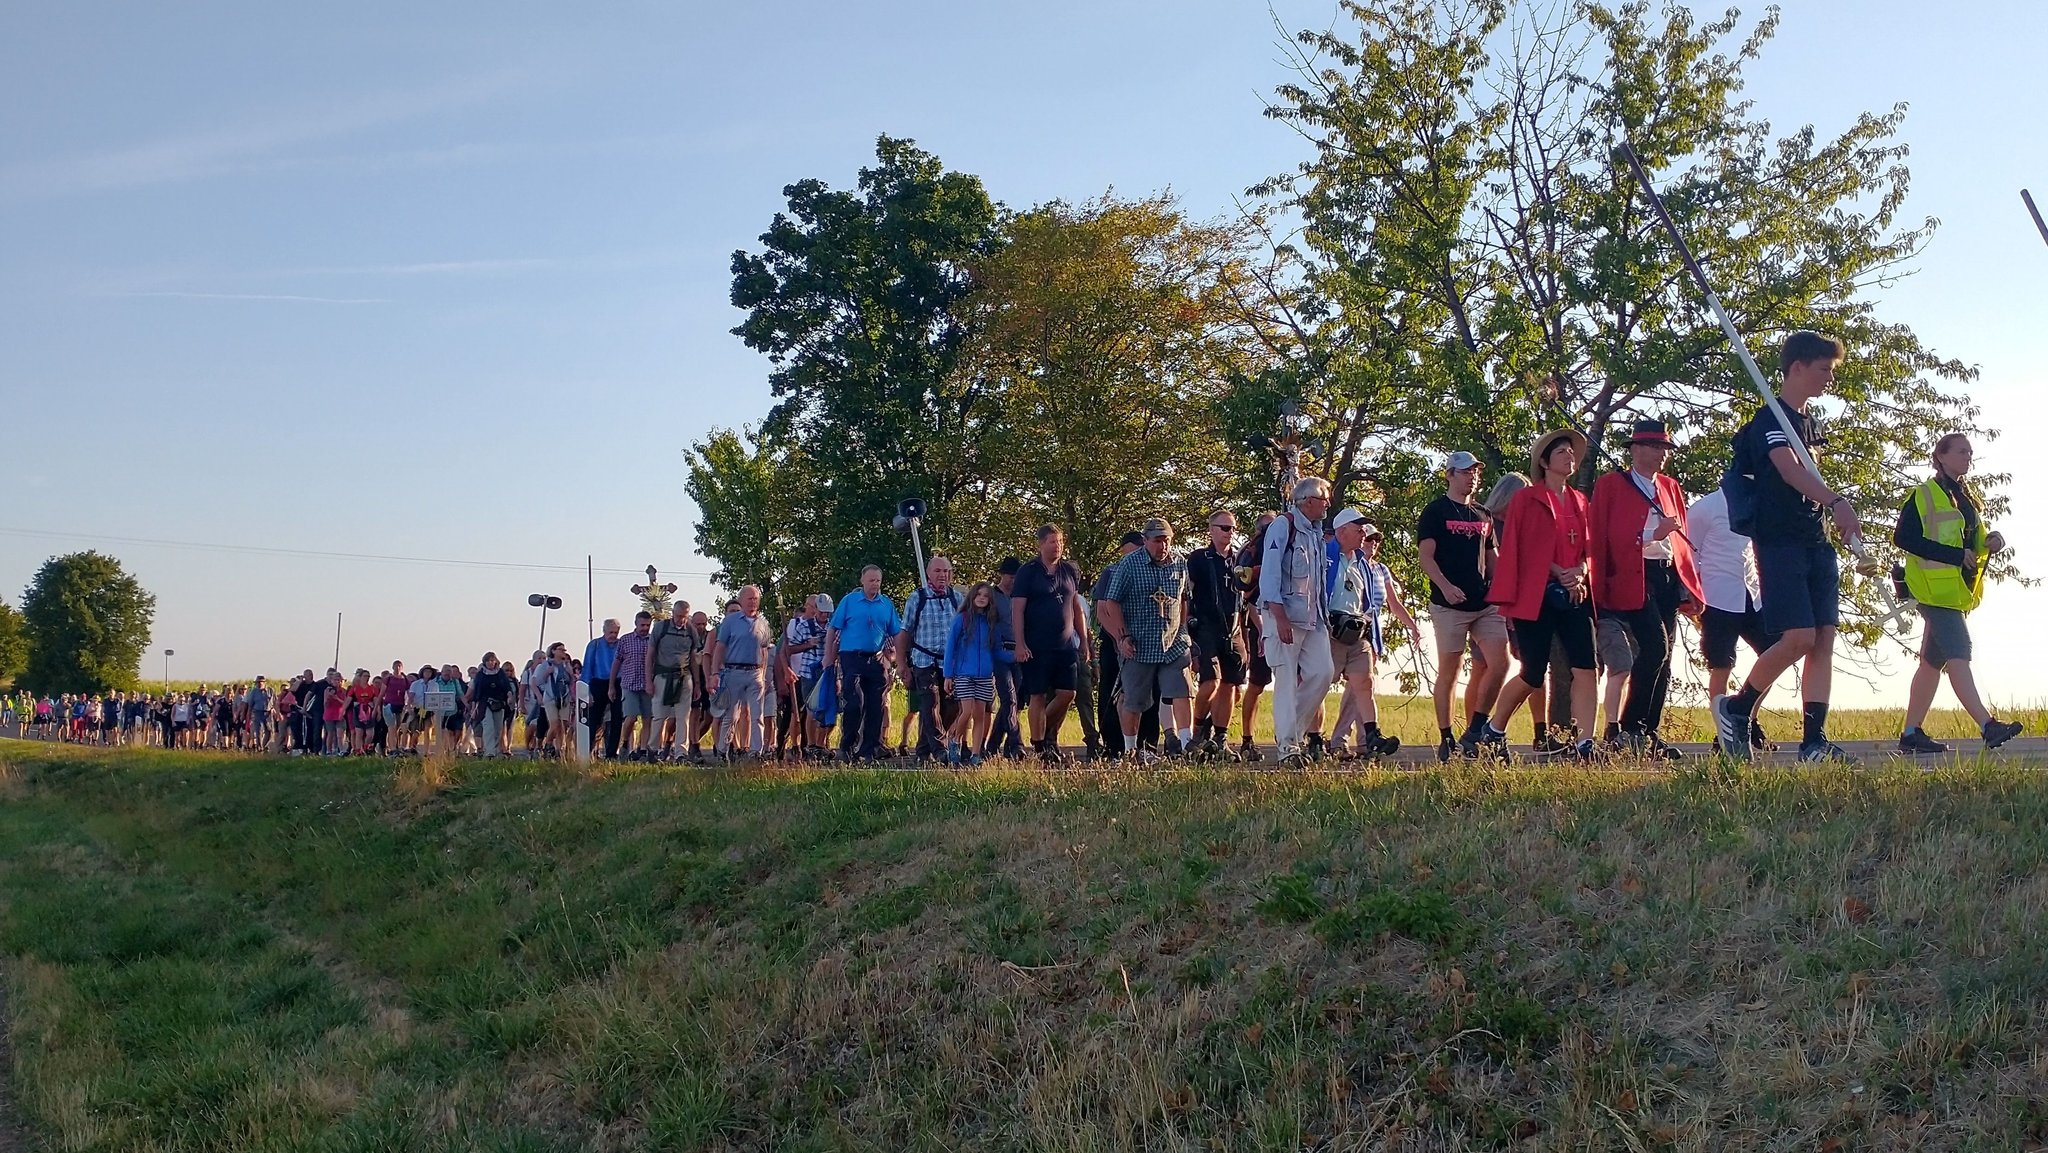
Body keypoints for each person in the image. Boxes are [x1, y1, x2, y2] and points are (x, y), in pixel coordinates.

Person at [1711, 331, 1862, 763]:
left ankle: (1814, 740)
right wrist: (1835, 500)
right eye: (1823, 369)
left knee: (1824, 638)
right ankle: (1737, 709)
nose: (1829, 378)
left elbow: (1806, 472)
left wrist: (1834, 514)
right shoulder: (1770, 420)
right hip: (1779, 540)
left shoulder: (1807, 424)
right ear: (1797, 367)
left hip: (1815, 538)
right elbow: (1788, 469)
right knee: (1797, 636)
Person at [1470, 429, 1598, 760]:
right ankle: (1494, 730)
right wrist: (1558, 570)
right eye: (1561, 453)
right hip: (1536, 595)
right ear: (1544, 462)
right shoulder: (1526, 499)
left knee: (1586, 666)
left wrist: (1581, 571)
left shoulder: (1580, 500)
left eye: (1572, 452)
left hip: (1574, 594)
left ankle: (1586, 742)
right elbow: (1520, 549)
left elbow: (1589, 548)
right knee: (1533, 671)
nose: (1569, 457)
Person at [1894, 433, 2024, 753]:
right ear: (1941, 456)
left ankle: (1911, 734)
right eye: (1962, 451)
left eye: (1970, 452)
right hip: (1932, 591)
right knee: (1959, 653)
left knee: (1930, 663)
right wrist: (1953, 557)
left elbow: (1969, 542)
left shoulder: (1965, 497)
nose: (1968, 457)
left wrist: (1991, 540)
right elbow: (1903, 538)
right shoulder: (1924, 494)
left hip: (1954, 591)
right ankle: (1987, 725)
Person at [1589, 420, 1704, 757]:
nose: (1661, 455)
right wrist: (1651, 536)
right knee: (1654, 647)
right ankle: (1629, 727)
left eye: (1664, 448)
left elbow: (1680, 545)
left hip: (1665, 574)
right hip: (1634, 573)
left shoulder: (1669, 487)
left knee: (1666, 656)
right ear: (1636, 450)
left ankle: (1647, 731)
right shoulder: (1613, 485)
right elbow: (1604, 536)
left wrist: (1689, 585)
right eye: (1654, 447)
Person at [1420, 452, 1510, 762]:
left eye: (1475, 471)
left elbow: (1493, 557)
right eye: (1464, 471)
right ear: (1449, 475)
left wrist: (1502, 594)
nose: (1471, 476)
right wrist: (1445, 586)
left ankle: (1476, 729)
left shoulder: (1483, 514)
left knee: (1501, 662)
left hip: (1485, 603)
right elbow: (1426, 557)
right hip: (1448, 605)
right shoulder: (1435, 512)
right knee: (1450, 669)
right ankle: (1446, 736)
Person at [1687, 484, 1778, 751]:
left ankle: (1747, 719)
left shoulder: (1755, 504)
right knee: (1721, 664)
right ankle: (1723, 734)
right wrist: (1693, 593)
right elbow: (1690, 555)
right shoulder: (1705, 508)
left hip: (1751, 595)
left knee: (1775, 653)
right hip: (1717, 597)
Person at [1097, 517, 1195, 763]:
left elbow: (1183, 599)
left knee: (1182, 691)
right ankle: (1130, 751)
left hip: (1173, 642)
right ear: (1146, 541)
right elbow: (1111, 602)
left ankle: (1186, 746)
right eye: (1157, 541)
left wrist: (1183, 630)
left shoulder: (1180, 563)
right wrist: (1122, 637)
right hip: (1139, 643)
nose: (1163, 546)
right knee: (1135, 700)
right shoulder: (1129, 564)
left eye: (1167, 541)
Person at [1325, 514, 1416, 758]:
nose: (1368, 538)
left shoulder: (1371, 567)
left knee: (1363, 684)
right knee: (1319, 683)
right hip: (1333, 630)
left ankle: (1369, 737)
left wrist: (1410, 626)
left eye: (1375, 537)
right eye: (1363, 532)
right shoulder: (1327, 556)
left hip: (1361, 631)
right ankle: (1313, 736)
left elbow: (1388, 604)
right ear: (1343, 531)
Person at [1261, 478, 1336, 764]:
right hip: (1285, 615)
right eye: (1323, 498)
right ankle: (1287, 748)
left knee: (1322, 672)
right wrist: (1278, 616)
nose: (1327, 503)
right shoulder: (1283, 526)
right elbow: (1270, 574)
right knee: (1286, 681)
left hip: (1313, 618)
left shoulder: (1316, 532)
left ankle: (1293, 733)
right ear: (1307, 500)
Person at [1011, 527, 1091, 763]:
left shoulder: (1068, 570)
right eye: (1052, 542)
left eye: (1060, 541)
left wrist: (1084, 640)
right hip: (1036, 645)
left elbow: (1076, 607)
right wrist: (1020, 643)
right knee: (1037, 694)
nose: (1057, 546)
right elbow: (1017, 610)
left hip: (1065, 645)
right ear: (1040, 545)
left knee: (1068, 693)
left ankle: (1046, 732)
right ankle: (1039, 746)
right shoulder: (1028, 572)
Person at [825, 565, 902, 761]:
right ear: (862, 581)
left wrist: (900, 660)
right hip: (852, 657)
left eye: (878, 580)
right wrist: (828, 656)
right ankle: (847, 746)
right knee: (854, 703)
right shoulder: (850, 601)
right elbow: (833, 629)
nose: (875, 584)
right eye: (871, 580)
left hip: (876, 658)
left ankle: (868, 750)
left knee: (876, 705)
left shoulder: (886, 604)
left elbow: (897, 632)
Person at [1187, 509, 1248, 757]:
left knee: (1232, 685)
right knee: (1210, 681)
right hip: (1206, 626)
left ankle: (1220, 738)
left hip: (1233, 628)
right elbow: (1186, 594)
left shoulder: (1239, 560)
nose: (1229, 533)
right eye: (1224, 528)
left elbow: (1248, 598)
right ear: (1211, 531)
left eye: (1233, 528)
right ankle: (1198, 730)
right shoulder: (1199, 559)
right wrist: (1187, 629)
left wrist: (1250, 633)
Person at [897, 555, 965, 760]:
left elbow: (965, 631)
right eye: (938, 571)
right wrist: (902, 665)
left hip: (950, 663)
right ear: (928, 573)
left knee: (951, 706)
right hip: (924, 660)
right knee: (930, 703)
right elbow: (904, 633)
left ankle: (924, 750)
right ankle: (940, 749)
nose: (943, 575)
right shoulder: (917, 598)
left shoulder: (957, 599)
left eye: (946, 571)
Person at [708, 585, 775, 760]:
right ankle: (723, 750)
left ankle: (755, 752)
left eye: (755, 599)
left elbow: (765, 650)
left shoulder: (763, 623)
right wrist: (715, 673)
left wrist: (764, 674)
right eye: (749, 599)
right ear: (741, 600)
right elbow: (720, 647)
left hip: (755, 672)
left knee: (756, 714)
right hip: (734, 671)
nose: (753, 602)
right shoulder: (730, 622)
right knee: (731, 714)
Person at [942, 582, 1005, 766]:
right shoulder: (961, 619)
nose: (982, 599)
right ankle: (954, 740)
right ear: (972, 597)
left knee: (980, 715)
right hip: (964, 674)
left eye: (986, 596)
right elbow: (950, 647)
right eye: (978, 595)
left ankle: (976, 754)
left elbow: (996, 649)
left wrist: (1014, 656)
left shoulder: (991, 622)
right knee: (966, 711)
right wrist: (948, 674)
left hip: (985, 675)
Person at [1234, 512, 1278, 762]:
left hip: (1283, 618)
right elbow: (1248, 595)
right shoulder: (1251, 552)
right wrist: (1261, 629)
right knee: (1257, 683)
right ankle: (1248, 739)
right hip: (1257, 621)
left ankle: (1304, 735)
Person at [647, 600, 700, 761]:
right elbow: (650, 655)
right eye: (678, 616)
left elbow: (693, 658)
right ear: (673, 614)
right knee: (659, 716)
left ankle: (680, 753)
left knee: (683, 716)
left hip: (684, 676)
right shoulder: (660, 628)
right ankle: (653, 748)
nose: (681, 620)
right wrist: (648, 680)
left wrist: (697, 683)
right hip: (662, 676)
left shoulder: (691, 630)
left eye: (684, 616)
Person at [986, 559, 1026, 758]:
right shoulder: (993, 596)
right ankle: (1016, 743)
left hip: (1020, 652)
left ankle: (993, 745)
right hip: (999, 654)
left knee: (1014, 701)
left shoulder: (1021, 596)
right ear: (1002, 575)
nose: (1013, 581)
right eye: (1010, 577)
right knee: (1009, 698)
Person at [784, 595, 832, 758]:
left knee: (827, 709)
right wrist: (808, 645)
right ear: (815, 610)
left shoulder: (833, 627)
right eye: (822, 612)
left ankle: (821, 744)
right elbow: (790, 649)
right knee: (812, 709)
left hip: (828, 671)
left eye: (827, 612)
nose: (825, 615)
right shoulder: (804, 626)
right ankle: (811, 745)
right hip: (809, 672)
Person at [582, 619, 622, 759]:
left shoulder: (620, 644)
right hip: (598, 683)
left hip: (617, 683)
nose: (613, 635)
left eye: (616, 632)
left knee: (617, 719)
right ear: (604, 631)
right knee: (593, 720)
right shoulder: (595, 644)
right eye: (610, 632)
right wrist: (587, 691)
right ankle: (586, 752)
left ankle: (611, 753)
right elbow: (587, 667)